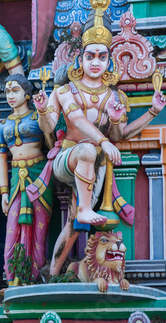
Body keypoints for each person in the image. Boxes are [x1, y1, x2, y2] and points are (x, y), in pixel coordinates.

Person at [32, 1, 166, 276]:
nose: (95, 62)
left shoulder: (114, 96)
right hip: (67, 158)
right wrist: (44, 109)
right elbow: (55, 124)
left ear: (109, 61)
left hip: (95, 166)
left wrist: (152, 111)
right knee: (88, 150)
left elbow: (120, 135)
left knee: (73, 225)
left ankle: (53, 272)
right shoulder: (66, 90)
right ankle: (82, 208)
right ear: (80, 59)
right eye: (90, 56)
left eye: (102, 57)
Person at [0, 75, 53, 286]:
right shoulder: (3, 126)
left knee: (39, 231)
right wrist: (3, 193)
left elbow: (51, 141)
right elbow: (1, 159)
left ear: (27, 94)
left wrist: (44, 111)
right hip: (15, 181)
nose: (10, 96)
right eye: (7, 92)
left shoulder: (36, 116)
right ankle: (12, 280)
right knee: (12, 231)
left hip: (39, 176)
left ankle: (34, 280)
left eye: (15, 91)